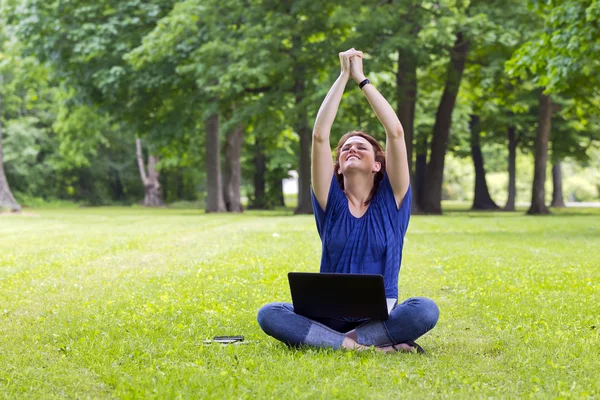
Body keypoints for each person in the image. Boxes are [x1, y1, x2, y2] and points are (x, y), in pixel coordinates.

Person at [257, 48, 439, 353]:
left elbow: (395, 133)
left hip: (379, 314)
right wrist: (342, 76)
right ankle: (366, 344)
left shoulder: (393, 200)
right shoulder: (331, 202)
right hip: (328, 315)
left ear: (377, 164)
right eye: (345, 149)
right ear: (337, 166)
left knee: (425, 309)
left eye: (361, 147)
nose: (351, 149)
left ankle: (339, 343)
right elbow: (319, 135)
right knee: (269, 314)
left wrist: (361, 79)